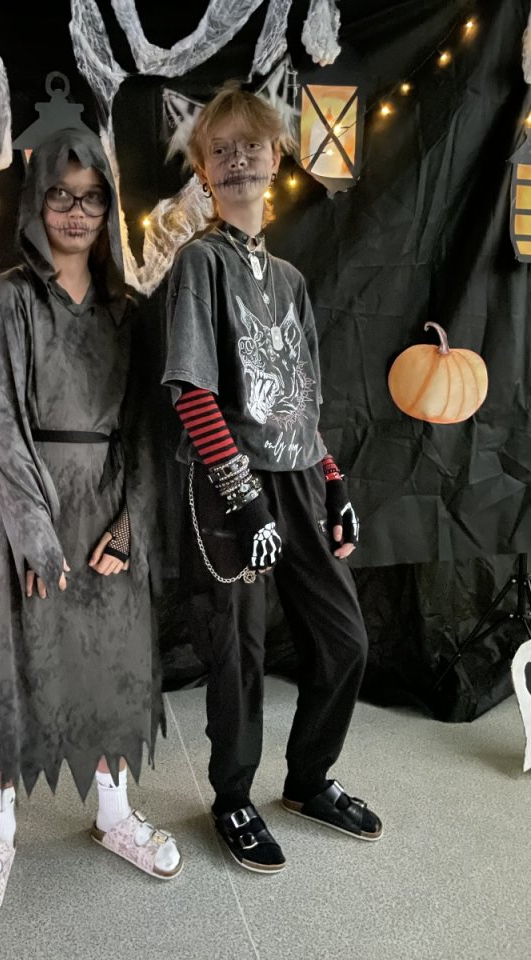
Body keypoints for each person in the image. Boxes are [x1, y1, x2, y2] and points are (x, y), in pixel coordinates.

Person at [0, 127, 182, 922]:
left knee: (113, 664)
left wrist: (132, 524)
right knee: (25, 667)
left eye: (91, 197)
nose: (76, 211)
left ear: (108, 205)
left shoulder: (128, 310)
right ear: (38, 201)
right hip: (38, 510)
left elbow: (146, 428)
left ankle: (113, 813)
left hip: (111, 507)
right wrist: (35, 534)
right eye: (61, 194)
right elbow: (0, 421)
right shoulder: (12, 298)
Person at [162, 82, 382, 874]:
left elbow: (299, 398)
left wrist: (334, 481)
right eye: (220, 149)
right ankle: (233, 797)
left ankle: (309, 779)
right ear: (203, 170)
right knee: (238, 652)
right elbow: (191, 391)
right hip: (229, 485)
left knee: (345, 639)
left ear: (277, 158)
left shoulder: (288, 279)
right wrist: (242, 494)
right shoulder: (199, 263)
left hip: (295, 479)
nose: (237, 158)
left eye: (251, 145)